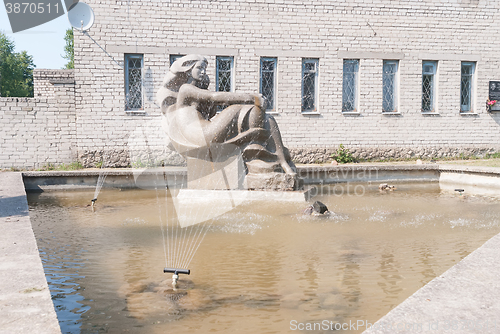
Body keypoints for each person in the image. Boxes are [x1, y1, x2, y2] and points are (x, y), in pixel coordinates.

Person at [156, 54, 295, 175]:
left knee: (264, 116)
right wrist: (252, 97)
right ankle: (265, 160)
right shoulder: (185, 89)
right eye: (199, 68)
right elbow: (215, 97)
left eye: (205, 68)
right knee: (245, 107)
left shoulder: (195, 92)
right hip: (202, 135)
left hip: (206, 133)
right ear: (188, 70)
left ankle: (280, 160)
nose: (203, 72)